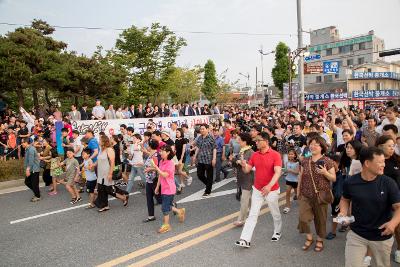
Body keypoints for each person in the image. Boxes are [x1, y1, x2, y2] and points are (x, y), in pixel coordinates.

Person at [339, 147, 400, 267]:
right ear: (367, 163)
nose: (384, 164)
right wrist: (343, 212)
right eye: (380, 162)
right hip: (357, 234)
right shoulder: (351, 182)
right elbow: (345, 199)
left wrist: (393, 224)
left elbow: (398, 207)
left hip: (381, 236)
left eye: (384, 161)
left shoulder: (388, 183)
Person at [235, 132, 282, 248]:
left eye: (258, 141)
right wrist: (244, 165)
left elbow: (278, 172)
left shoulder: (275, 155)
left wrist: (269, 186)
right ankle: (245, 239)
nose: (255, 143)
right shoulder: (255, 155)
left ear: (265, 141)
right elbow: (247, 170)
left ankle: (277, 231)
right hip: (257, 189)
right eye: (255, 141)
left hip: (271, 190)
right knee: (252, 214)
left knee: (275, 213)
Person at [297, 135, 336, 252]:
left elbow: (333, 178)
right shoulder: (305, 160)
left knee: (320, 219)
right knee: (303, 218)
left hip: (321, 195)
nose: (312, 146)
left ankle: (319, 239)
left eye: (316, 144)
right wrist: (299, 189)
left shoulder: (327, 161)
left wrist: (325, 172)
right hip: (306, 194)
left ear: (322, 147)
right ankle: (309, 237)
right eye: (311, 144)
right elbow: (301, 175)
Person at [152, 145, 186, 233]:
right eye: (160, 151)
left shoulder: (170, 163)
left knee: (164, 208)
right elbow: (160, 176)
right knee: (167, 205)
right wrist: (157, 186)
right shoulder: (161, 161)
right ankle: (180, 211)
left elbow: (165, 175)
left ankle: (166, 225)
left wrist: (156, 168)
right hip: (164, 188)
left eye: (162, 151)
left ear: (168, 152)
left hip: (169, 189)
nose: (160, 153)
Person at [94, 135, 128, 212]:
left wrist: (110, 173)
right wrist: (93, 165)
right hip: (101, 173)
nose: (98, 141)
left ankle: (123, 197)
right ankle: (105, 205)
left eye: (100, 140)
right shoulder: (101, 150)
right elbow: (98, 160)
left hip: (107, 172)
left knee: (108, 189)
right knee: (102, 189)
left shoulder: (109, 150)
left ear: (103, 141)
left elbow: (112, 162)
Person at [231, 132, 254, 227]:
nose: (238, 141)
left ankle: (241, 219)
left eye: (239, 140)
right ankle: (253, 213)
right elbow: (236, 163)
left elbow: (249, 165)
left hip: (248, 178)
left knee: (244, 199)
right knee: (248, 199)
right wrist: (234, 160)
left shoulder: (251, 152)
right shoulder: (242, 150)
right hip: (241, 177)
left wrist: (238, 161)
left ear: (245, 141)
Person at [193, 124, 216, 197]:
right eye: (201, 129)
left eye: (203, 129)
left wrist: (214, 159)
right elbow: (198, 147)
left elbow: (214, 148)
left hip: (209, 159)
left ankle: (208, 190)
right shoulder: (199, 137)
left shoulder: (211, 137)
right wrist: (195, 156)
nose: (201, 130)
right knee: (200, 175)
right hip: (201, 159)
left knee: (209, 175)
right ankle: (209, 184)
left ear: (207, 129)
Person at [143, 140, 160, 223]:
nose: (147, 147)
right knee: (149, 198)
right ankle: (151, 216)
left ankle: (173, 206)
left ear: (150, 146)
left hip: (155, 180)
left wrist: (150, 169)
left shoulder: (156, 155)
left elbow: (158, 168)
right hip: (148, 180)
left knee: (160, 199)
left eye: (148, 145)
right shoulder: (151, 154)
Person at [22, 138, 41, 202]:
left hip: (34, 169)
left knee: (34, 184)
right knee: (27, 182)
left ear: (26, 142)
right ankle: (37, 192)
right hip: (31, 169)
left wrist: (27, 170)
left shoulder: (31, 149)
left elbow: (31, 161)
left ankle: (38, 196)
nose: (21, 144)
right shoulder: (27, 149)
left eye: (22, 142)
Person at [283, 149, 300, 214]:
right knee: (287, 193)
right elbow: (286, 170)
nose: (290, 155)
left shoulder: (297, 163)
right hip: (288, 180)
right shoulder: (287, 162)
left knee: (297, 194)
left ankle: (301, 203)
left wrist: (290, 170)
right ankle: (287, 207)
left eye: (292, 154)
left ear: (295, 155)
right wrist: (283, 171)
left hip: (295, 181)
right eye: (289, 154)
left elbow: (297, 172)